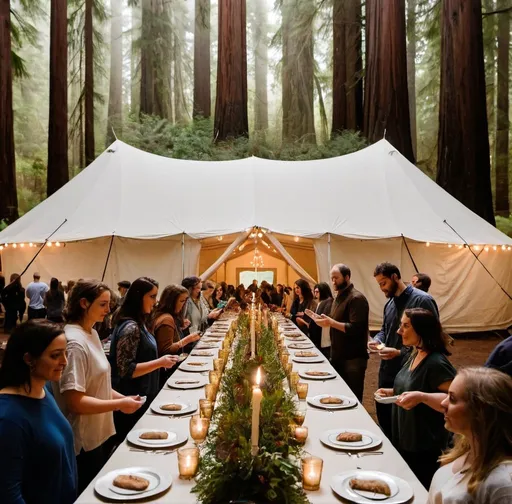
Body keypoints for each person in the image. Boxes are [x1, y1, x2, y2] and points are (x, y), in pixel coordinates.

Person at [53, 279, 143, 493]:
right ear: (84, 303)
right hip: (83, 440)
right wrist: (119, 403)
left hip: (97, 433)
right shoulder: (74, 343)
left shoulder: (91, 333)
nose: (109, 309)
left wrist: (122, 399)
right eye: (103, 304)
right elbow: (76, 402)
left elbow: (97, 385)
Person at [376, 308, 456, 488]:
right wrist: (391, 392)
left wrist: (422, 397)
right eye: (400, 325)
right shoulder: (414, 354)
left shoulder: (436, 363)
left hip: (423, 447)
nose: (399, 331)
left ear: (421, 330)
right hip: (404, 438)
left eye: (405, 326)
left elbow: (457, 399)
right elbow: (413, 385)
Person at [0, 320, 78, 504]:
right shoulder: (8, 418)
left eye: (65, 353)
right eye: (55, 355)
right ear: (29, 359)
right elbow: (9, 494)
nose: (64, 362)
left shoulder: (44, 390)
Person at [369, 262, 439, 438]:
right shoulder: (390, 304)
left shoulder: (422, 300)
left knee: (406, 428)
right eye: (379, 285)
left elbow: (432, 339)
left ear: (395, 277)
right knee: (385, 421)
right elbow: (386, 330)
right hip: (388, 371)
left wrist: (399, 352)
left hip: (412, 372)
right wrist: (377, 340)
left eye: (383, 283)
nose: (382, 289)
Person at [110, 277, 178, 443]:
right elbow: (126, 370)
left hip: (141, 395)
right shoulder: (131, 327)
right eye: (152, 297)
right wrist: (160, 362)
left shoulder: (138, 323)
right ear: (139, 297)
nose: (155, 302)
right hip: (133, 399)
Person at [428, 367, 512, 503]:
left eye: (453, 399)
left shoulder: (504, 485)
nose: (443, 403)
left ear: (481, 412)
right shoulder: (466, 450)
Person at [315, 265, 370, 402]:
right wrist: (324, 321)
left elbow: (356, 328)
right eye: (332, 278)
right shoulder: (339, 297)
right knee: (339, 397)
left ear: (347, 277)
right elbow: (335, 320)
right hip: (339, 355)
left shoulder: (356, 298)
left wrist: (331, 323)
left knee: (353, 399)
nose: (333, 282)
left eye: (336, 278)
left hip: (352, 358)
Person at [149, 285, 201, 384]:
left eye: (186, 301)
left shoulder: (162, 315)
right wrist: (188, 339)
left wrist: (179, 328)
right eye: (182, 301)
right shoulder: (167, 319)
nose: (184, 305)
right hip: (165, 373)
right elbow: (166, 350)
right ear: (171, 301)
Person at [308, 282, 333, 357]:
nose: (315, 294)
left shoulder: (329, 301)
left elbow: (325, 317)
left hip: (324, 333)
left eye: (317, 292)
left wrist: (313, 315)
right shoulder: (320, 302)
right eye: (314, 291)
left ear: (323, 291)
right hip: (318, 332)